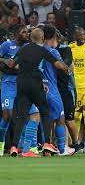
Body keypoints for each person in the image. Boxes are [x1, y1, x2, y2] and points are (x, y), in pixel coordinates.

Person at [7, 28, 69, 157]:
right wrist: (65, 68)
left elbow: (12, 64)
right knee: (44, 112)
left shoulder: (23, 49)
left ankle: (14, 147)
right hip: (35, 83)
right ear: (42, 38)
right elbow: (57, 64)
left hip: (21, 83)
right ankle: (47, 143)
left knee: (21, 116)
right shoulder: (42, 50)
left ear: (31, 38)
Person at [0, 25, 40, 157]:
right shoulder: (6, 45)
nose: (27, 34)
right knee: (8, 115)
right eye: (24, 32)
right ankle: (1, 144)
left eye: (28, 32)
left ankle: (27, 148)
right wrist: (5, 60)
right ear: (16, 33)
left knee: (34, 114)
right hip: (9, 84)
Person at [42, 25, 75, 156]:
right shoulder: (53, 52)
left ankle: (46, 147)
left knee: (46, 119)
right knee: (60, 118)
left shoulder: (37, 50)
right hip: (52, 88)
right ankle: (62, 149)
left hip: (39, 88)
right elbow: (65, 68)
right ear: (54, 36)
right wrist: (69, 67)